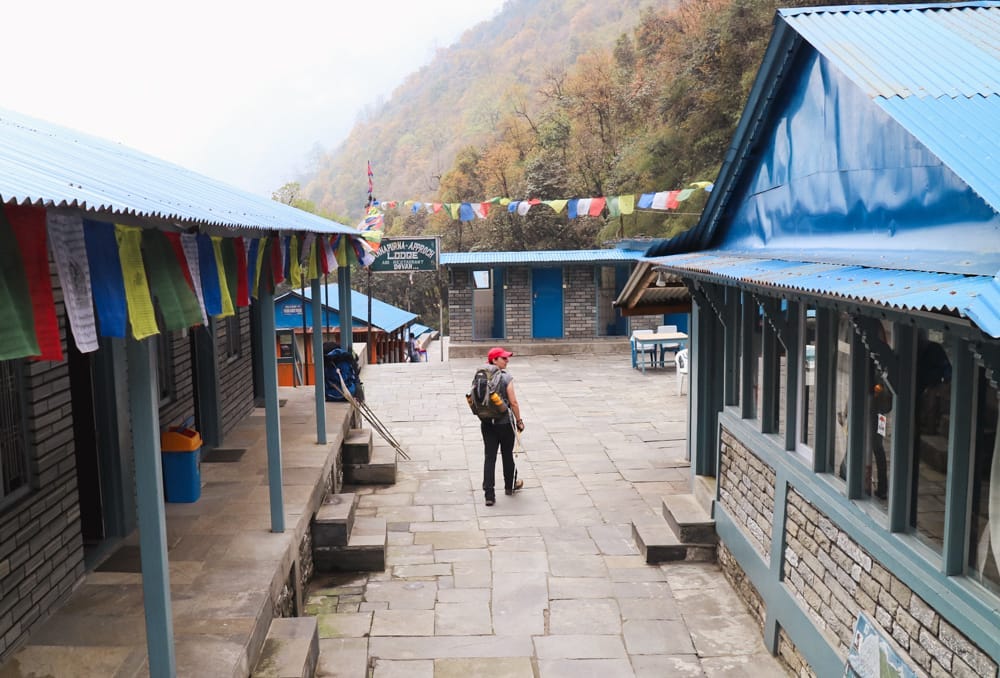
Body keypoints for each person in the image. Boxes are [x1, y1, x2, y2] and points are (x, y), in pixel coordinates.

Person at [480, 346, 524, 506]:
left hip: (486, 423)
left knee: (489, 458)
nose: (507, 360)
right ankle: (510, 486)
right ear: (494, 360)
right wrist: (519, 421)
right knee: (507, 455)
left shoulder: (481, 375)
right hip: (505, 423)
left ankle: (489, 496)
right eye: (503, 358)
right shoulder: (506, 377)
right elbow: (513, 402)